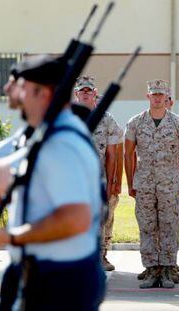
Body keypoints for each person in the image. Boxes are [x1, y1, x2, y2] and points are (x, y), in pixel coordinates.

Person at [0, 55, 105, 310]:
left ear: (43, 93)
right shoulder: (49, 135)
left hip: (59, 283)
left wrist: (10, 237)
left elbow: (75, 218)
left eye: (22, 87)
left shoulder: (60, 144)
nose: (11, 92)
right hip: (44, 276)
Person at [124, 79, 179, 289]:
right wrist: (131, 182)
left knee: (170, 226)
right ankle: (151, 269)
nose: (157, 98)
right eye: (153, 94)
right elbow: (128, 155)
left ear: (167, 97)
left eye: (160, 94)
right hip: (144, 184)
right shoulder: (135, 122)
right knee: (146, 226)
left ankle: (167, 269)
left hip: (170, 184)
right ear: (148, 96)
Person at [73, 76, 124, 271]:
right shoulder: (67, 117)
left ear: (95, 94)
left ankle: (101, 256)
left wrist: (112, 181)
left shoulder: (107, 119)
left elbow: (112, 155)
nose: (85, 93)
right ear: (76, 94)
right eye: (82, 91)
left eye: (89, 90)